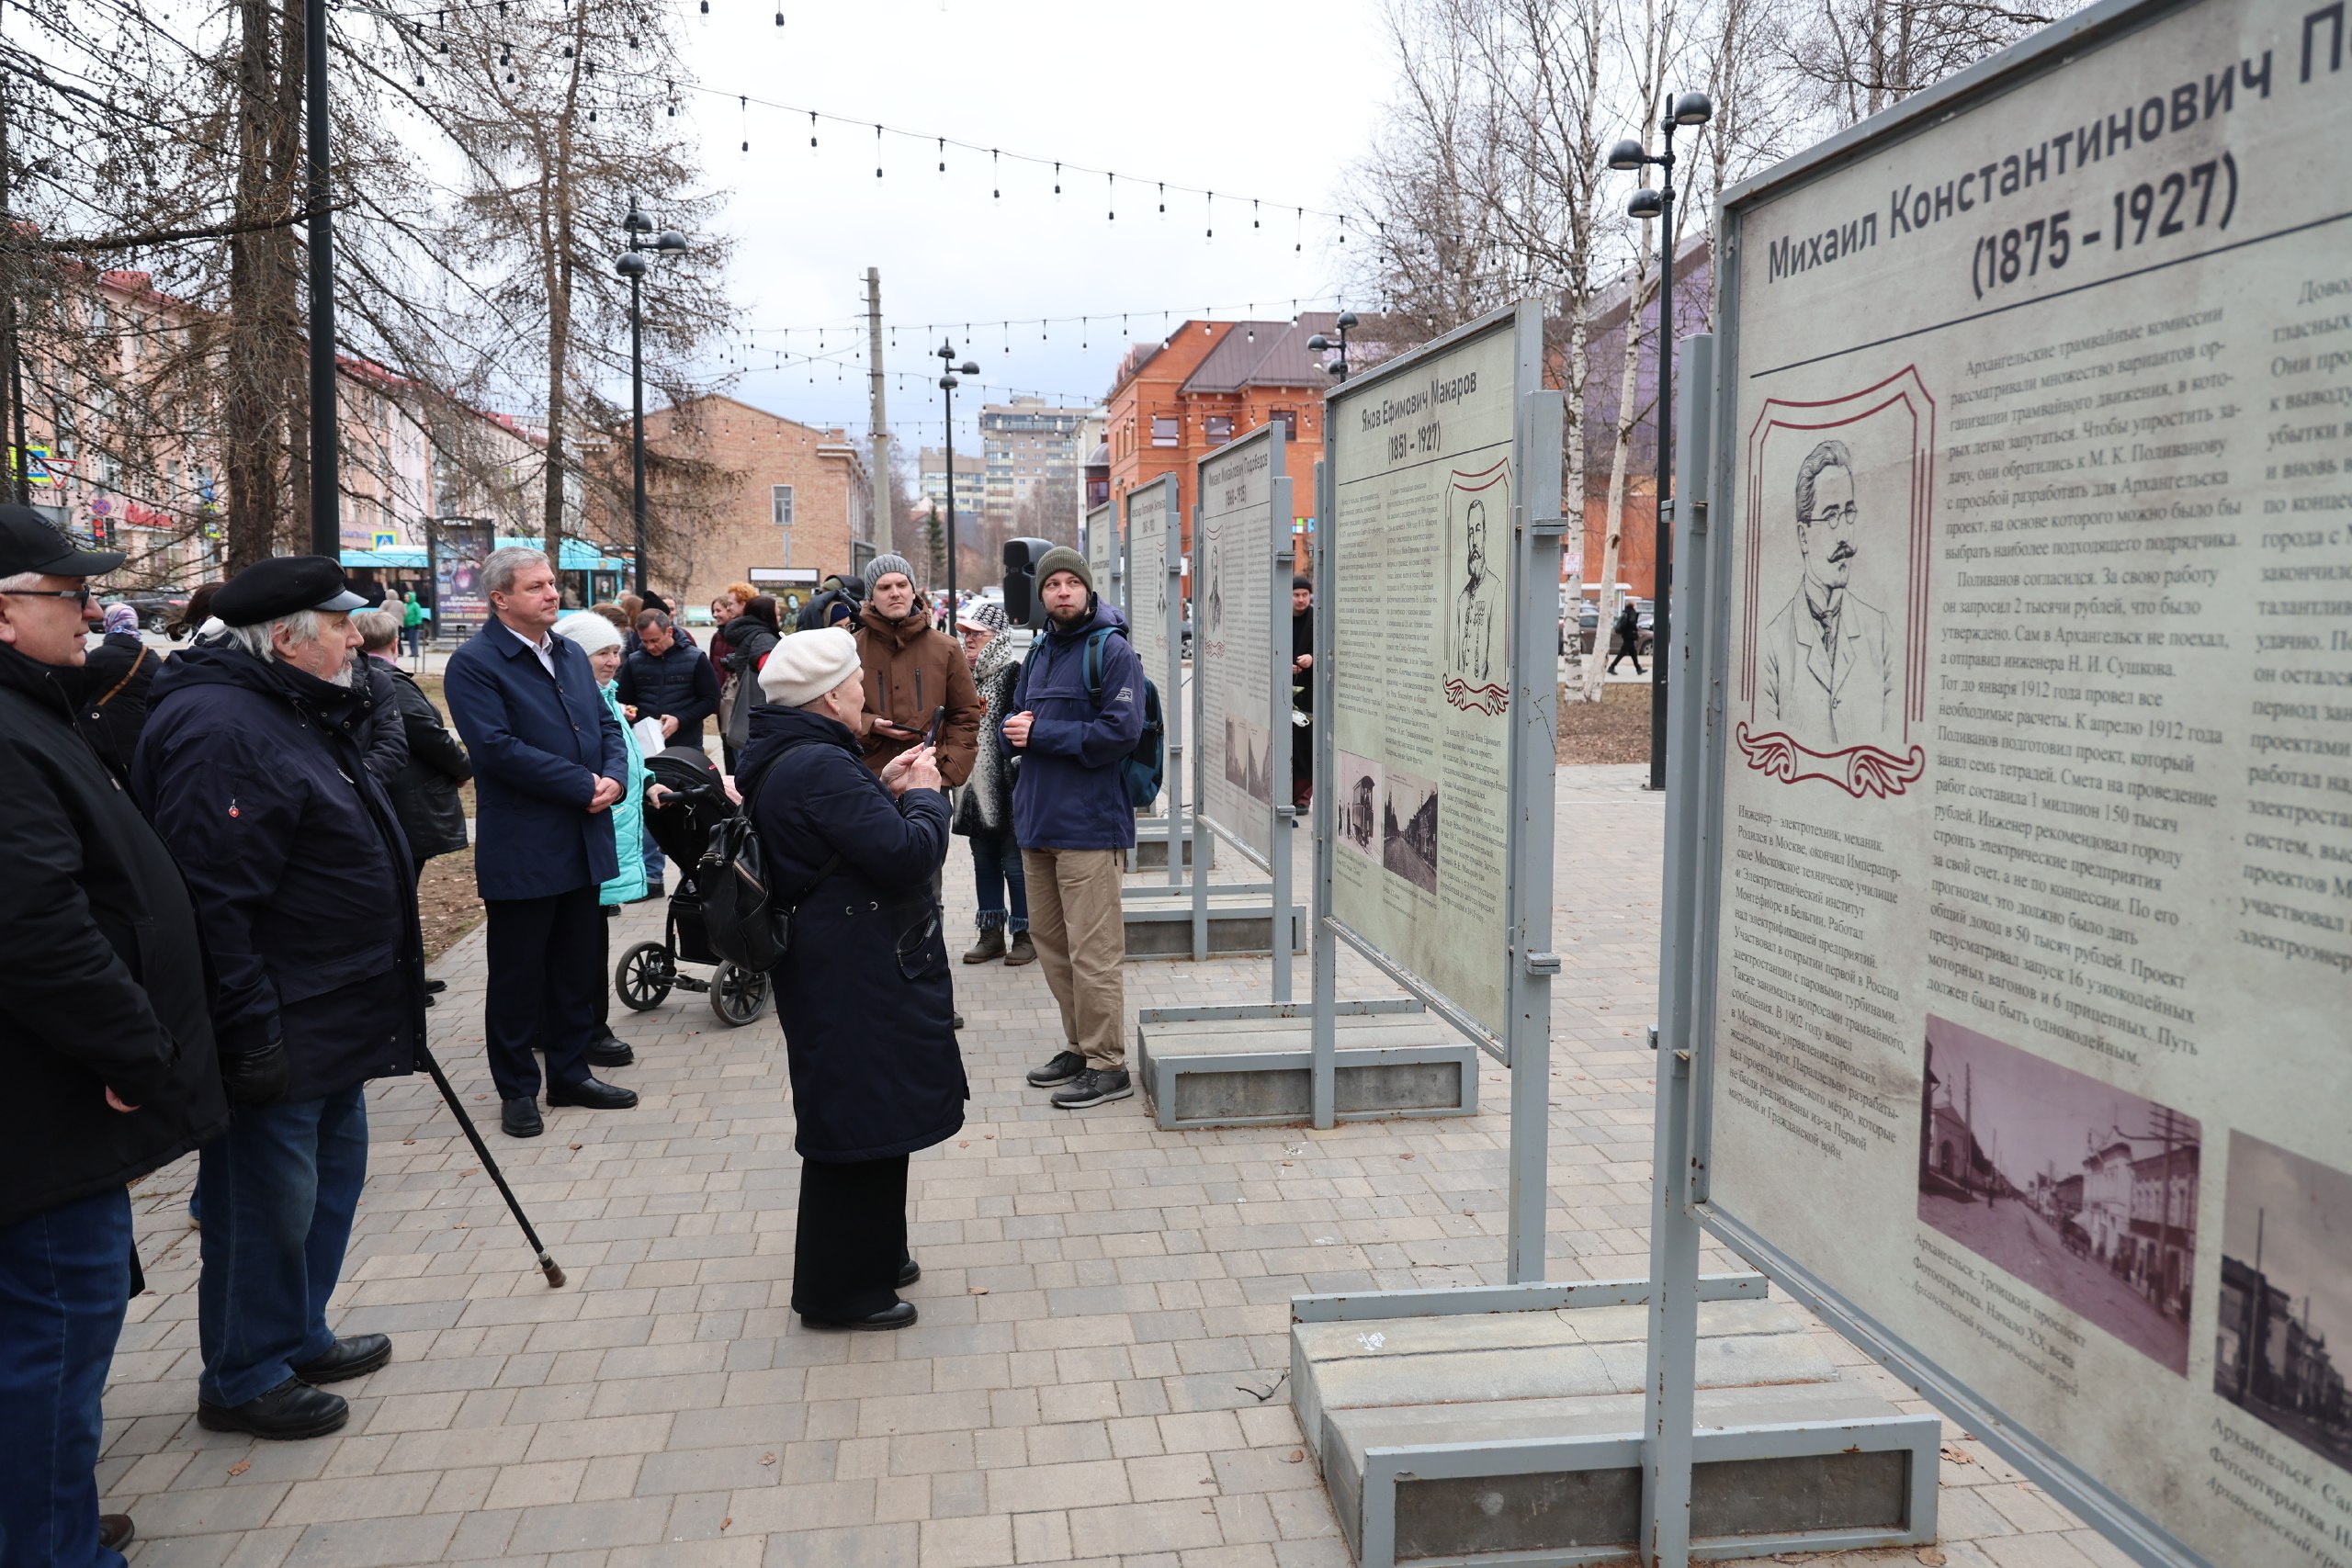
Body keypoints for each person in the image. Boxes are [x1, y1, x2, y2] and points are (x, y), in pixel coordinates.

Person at [136, 555, 428, 1442]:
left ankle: (296, 1332)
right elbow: (213, 900)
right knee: (265, 1202)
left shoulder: (290, 702)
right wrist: (250, 1029)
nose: (357, 639)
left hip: (335, 1007)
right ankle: (244, 1372)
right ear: (286, 639)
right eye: (340, 626)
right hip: (280, 1015)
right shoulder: (224, 727)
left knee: (324, 1186)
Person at [0, 506, 229, 1565]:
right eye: (69, 594)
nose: (90, 612)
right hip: (43, 1111)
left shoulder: (33, 711)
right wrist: (134, 1051)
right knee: (53, 1333)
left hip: (50, 1103)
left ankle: (43, 1518)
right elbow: (34, 928)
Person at [738, 626, 962, 1331]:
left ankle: (877, 1254)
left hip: (842, 960)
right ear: (831, 697)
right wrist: (925, 795)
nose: (866, 691)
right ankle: (839, 1292)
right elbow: (907, 855)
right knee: (855, 1119)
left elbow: (837, 834)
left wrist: (882, 786)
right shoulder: (820, 766)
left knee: (872, 1110)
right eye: (857, 682)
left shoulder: (799, 755)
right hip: (849, 968)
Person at [442, 546, 639, 1139]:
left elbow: (605, 724)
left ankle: (571, 1074)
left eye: (552, 583)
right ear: (500, 599)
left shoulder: (570, 654)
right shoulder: (474, 664)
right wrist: (582, 785)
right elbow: (496, 749)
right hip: (525, 845)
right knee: (517, 976)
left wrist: (615, 777)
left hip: (583, 836)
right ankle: (517, 1089)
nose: (553, 593)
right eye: (536, 587)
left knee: (575, 969)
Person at [1006, 547, 1144, 1111]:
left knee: (1094, 951)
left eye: (1071, 583)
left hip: (1089, 825)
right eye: (1052, 584)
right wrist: (1013, 730)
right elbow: (1017, 721)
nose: (1062, 591)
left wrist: (1040, 734)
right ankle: (1079, 1047)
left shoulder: (1111, 651)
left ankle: (1109, 1064)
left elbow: (1122, 732)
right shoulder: (1040, 650)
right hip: (1037, 820)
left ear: (1087, 589)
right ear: (1041, 596)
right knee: (1052, 946)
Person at [558, 610, 668, 1067]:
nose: (613, 661)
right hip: (592, 834)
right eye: (602, 653)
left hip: (611, 832)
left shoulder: (604, 696)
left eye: (615, 651)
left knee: (589, 935)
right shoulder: (579, 702)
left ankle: (579, 1024)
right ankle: (587, 1028)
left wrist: (648, 782)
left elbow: (624, 754)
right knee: (580, 942)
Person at [1758, 438, 1895, 750]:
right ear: (1803, 536)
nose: (1845, 534)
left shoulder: (1880, 633)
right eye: (1831, 516)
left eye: (1849, 513)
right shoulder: (1773, 644)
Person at [356, 609, 469, 887]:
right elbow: (427, 735)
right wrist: (464, 767)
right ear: (395, 643)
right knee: (399, 886)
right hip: (407, 804)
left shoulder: (354, 675)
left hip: (383, 797)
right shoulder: (390, 681)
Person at [853, 553, 980, 788]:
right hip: (868, 781)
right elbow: (833, 714)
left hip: (929, 781)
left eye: (902, 585)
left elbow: (966, 716)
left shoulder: (947, 648)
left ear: (913, 592)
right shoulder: (850, 648)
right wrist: (870, 724)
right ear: (871, 597)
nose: (895, 593)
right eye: (884, 587)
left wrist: (947, 775)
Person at [951, 601, 1033, 965]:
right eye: (965, 634)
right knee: (983, 862)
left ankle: (1025, 935)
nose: (968, 640)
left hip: (1009, 790)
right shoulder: (962, 678)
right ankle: (991, 935)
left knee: (1014, 864)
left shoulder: (1015, 674)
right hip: (971, 791)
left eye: (977, 634)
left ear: (997, 638)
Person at [616, 608, 718, 894]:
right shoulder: (635, 662)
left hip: (685, 749)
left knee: (689, 813)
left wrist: (680, 719)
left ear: (669, 632)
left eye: (655, 640)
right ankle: (653, 877)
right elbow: (624, 699)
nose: (650, 646)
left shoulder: (695, 658)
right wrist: (630, 714)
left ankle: (695, 876)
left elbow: (710, 700)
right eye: (644, 641)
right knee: (651, 809)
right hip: (648, 749)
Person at [71, 600, 158, 784]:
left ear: (109, 622)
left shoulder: (100, 656)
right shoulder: (151, 657)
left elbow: (80, 692)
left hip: (108, 736)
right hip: (144, 735)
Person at [717, 592, 782, 769]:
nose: (779, 618)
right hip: (759, 720)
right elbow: (772, 675)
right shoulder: (765, 638)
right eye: (776, 614)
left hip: (746, 716)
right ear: (766, 616)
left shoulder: (748, 633)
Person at [1289, 573, 1315, 809]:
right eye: (1296, 595)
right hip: (1284, 691)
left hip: (1309, 695)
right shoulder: (1281, 617)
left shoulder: (1317, 618)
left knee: (1306, 746)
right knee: (1289, 744)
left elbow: (1331, 648)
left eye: (1305, 595)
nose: (1301, 599)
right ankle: (1286, 793)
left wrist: (1312, 659)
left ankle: (1303, 798)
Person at [1607, 597, 1644, 676]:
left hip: (1626, 635)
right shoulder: (1632, 612)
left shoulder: (1626, 612)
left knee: (1633, 653)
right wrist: (1635, 630)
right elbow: (1632, 623)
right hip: (1630, 635)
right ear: (1632, 605)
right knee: (1622, 652)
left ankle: (1638, 669)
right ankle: (1612, 667)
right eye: (1635, 604)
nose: (1636, 605)